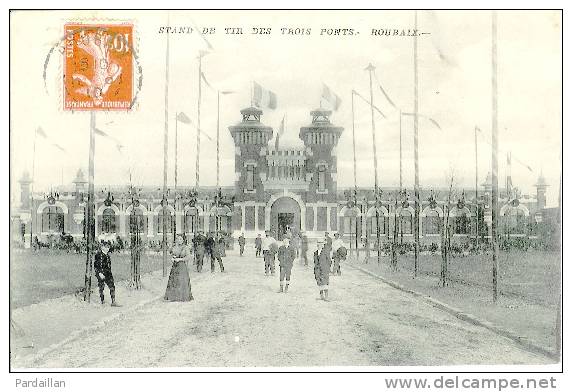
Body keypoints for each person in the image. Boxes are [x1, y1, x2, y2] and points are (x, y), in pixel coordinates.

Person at [164, 234, 194, 302]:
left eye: (180, 239)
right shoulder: (175, 247)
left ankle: (182, 297)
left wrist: (180, 259)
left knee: (181, 281)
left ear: (183, 240)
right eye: (178, 239)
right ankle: (174, 297)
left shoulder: (185, 247)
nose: (179, 240)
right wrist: (172, 258)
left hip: (182, 266)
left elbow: (188, 257)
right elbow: (172, 254)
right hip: (175, 266)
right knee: (174, 281)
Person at [94, 241, 118, 306]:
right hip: (101, 273)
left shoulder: (107, 256)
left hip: (108, 273)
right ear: (102, 247)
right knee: (101, 287)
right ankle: (102, 301)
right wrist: (99, 273)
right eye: (106, 247)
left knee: (112, 286)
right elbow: (96, 265)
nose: (108, 249)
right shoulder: (99, 255)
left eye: (108, 247)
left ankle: (113, 301)